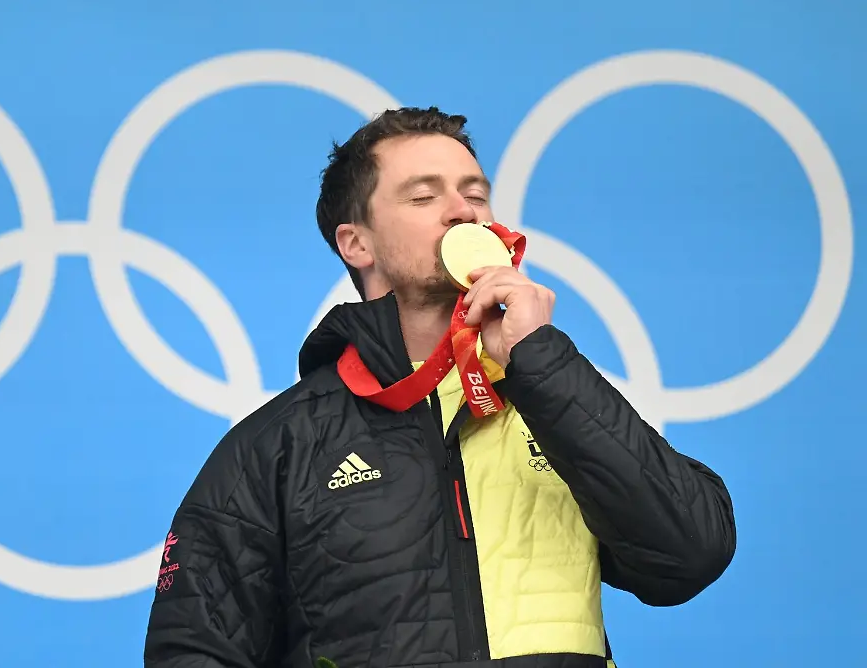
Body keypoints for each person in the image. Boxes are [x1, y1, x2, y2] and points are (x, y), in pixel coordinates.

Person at [143, 106, 736, 667]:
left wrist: (541, 363)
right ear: (357, 244)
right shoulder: (278, 445)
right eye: (424, 196)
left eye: (475, 194)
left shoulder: (556, 397)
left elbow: (690, 554)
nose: (463, 211)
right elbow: (193, 650)